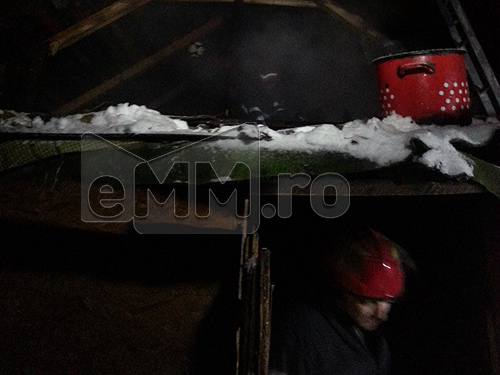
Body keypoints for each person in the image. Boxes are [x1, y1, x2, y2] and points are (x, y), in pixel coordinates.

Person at [268, 224, 414, 375]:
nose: (381, 315)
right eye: (367, 302)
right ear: (342, 292)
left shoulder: (375, 342)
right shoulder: (303, 330)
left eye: (387, 302)